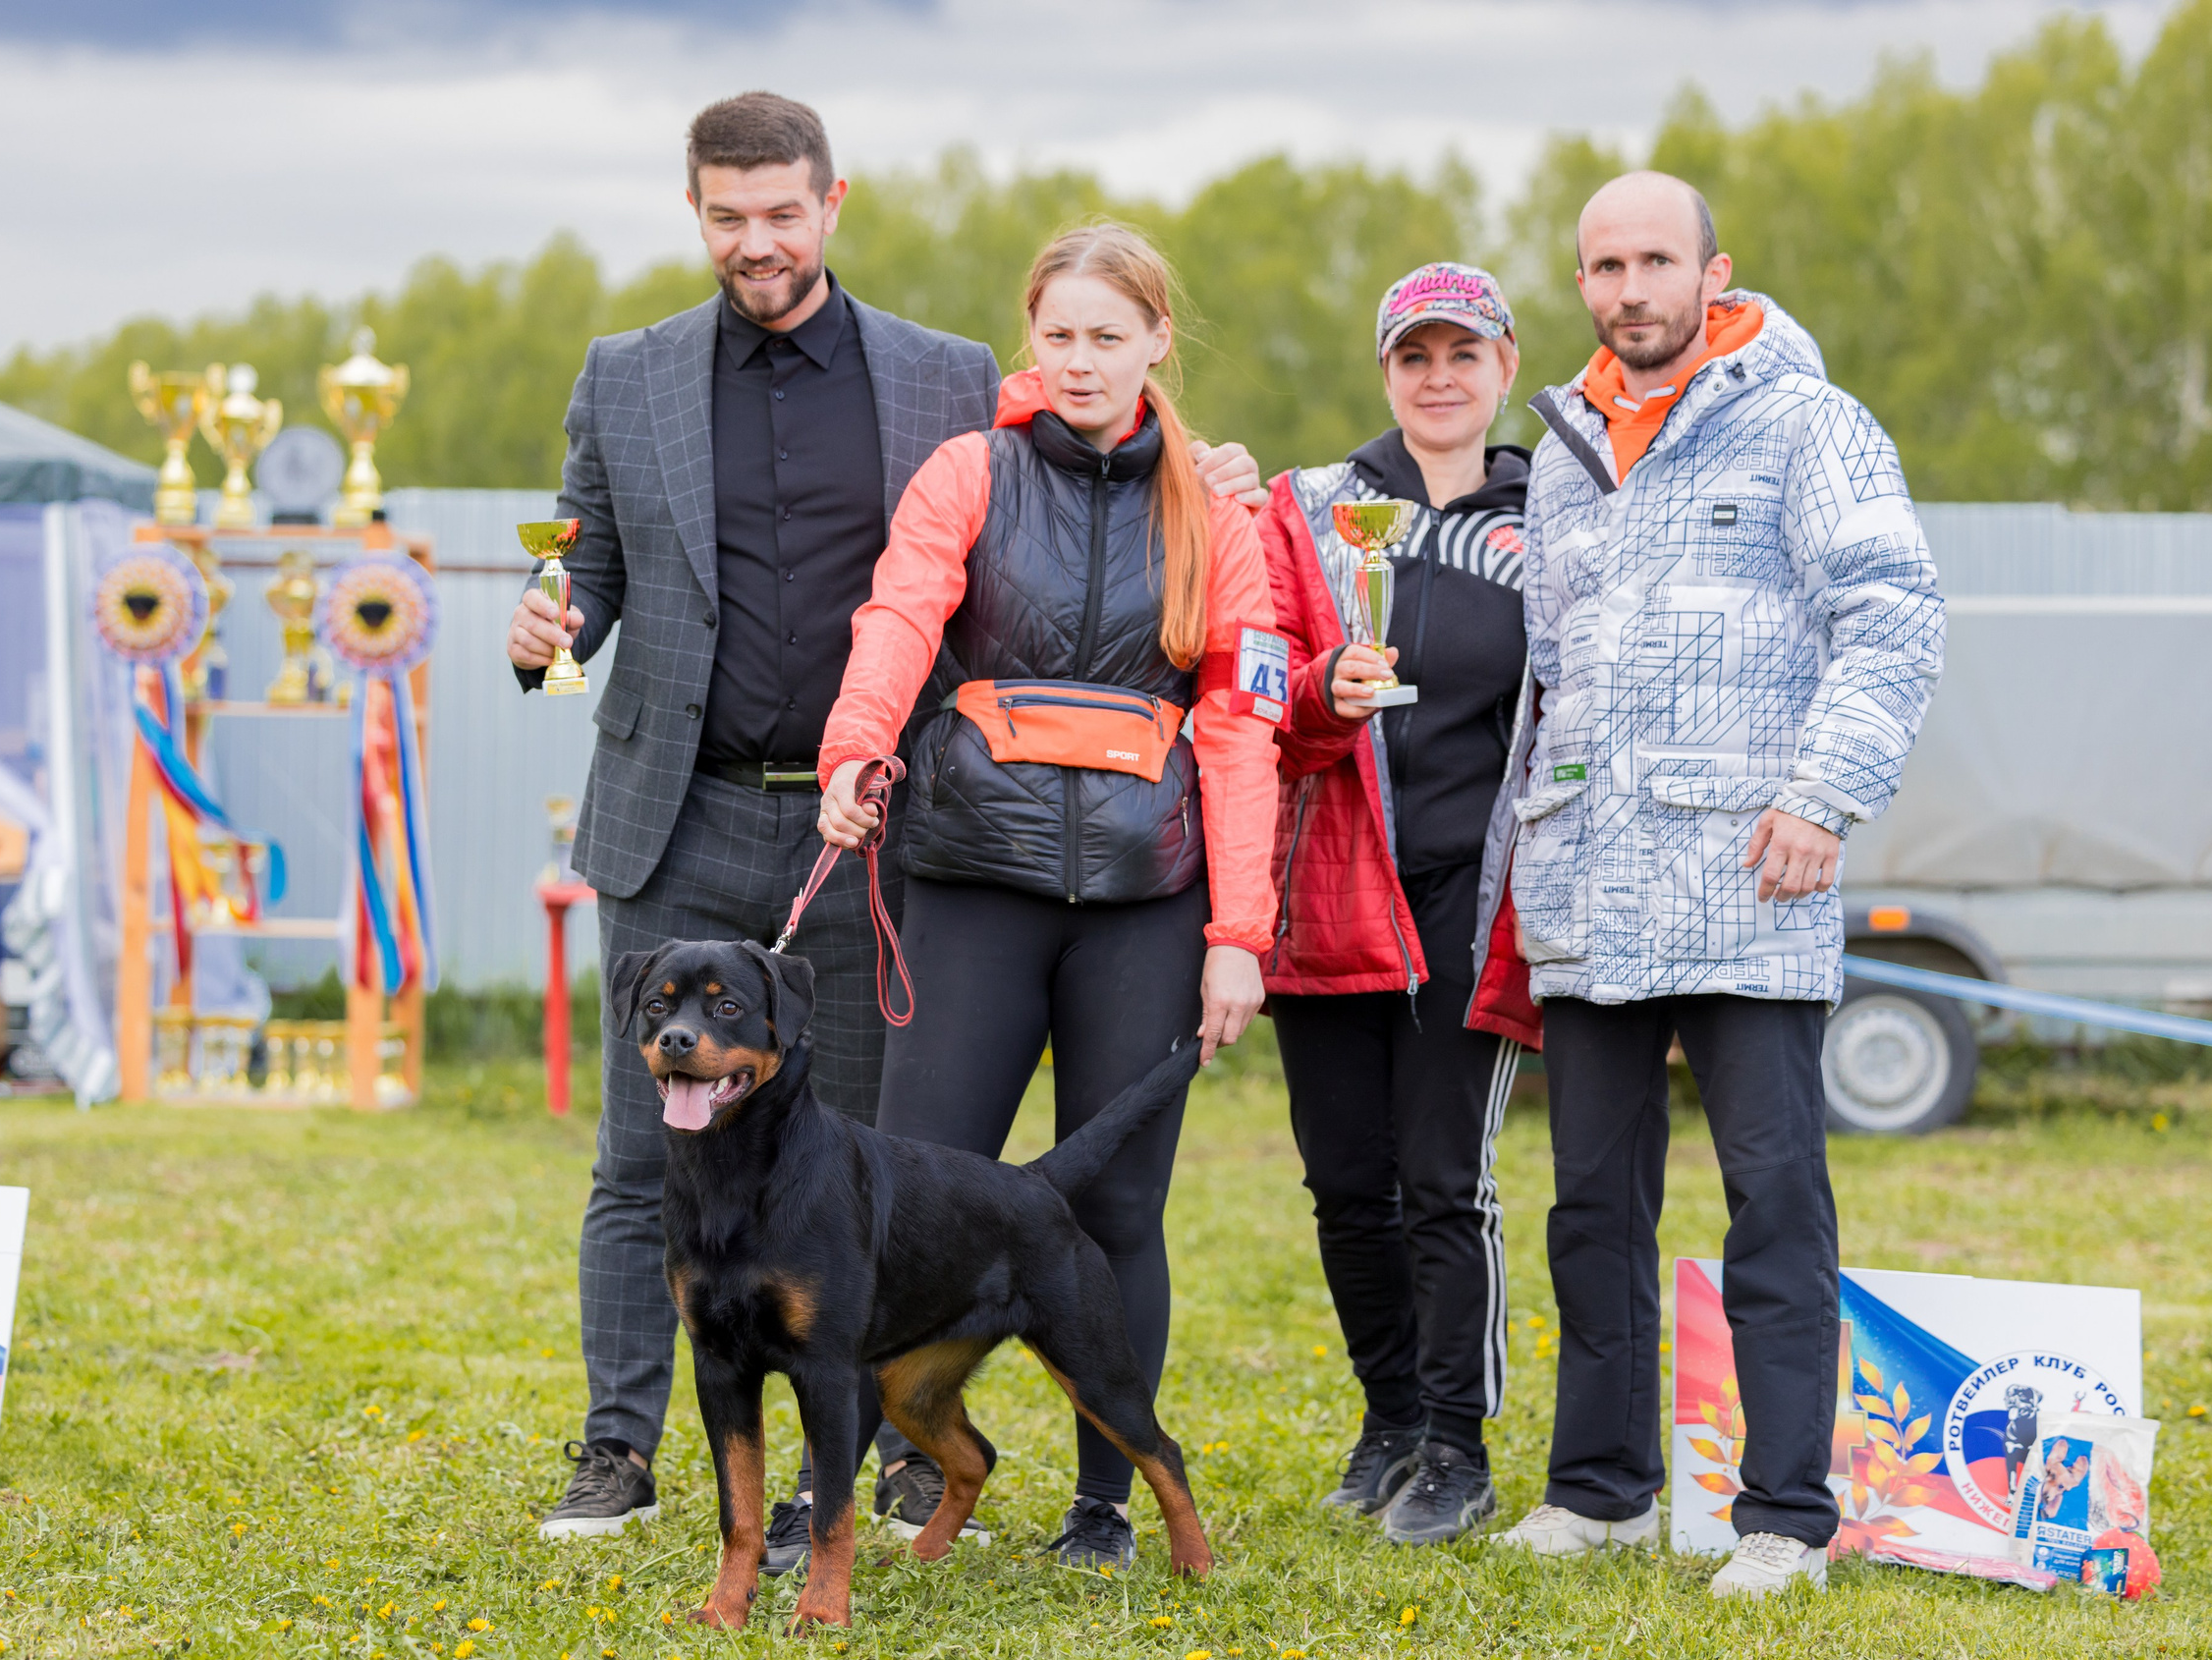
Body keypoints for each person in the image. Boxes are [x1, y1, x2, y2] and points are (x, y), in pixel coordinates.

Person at [504, 93, 1262, 1566]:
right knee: (640, 1155)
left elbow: (1071, 485)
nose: (757, 241)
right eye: (728, 216)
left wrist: (1207, 463)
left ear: (831, 204)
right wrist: (550, 627)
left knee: (856, 1180)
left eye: (782, 213)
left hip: (874, 834)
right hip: (681, 809)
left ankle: (911, 1470)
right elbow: (590, 567)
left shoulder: (945, 375)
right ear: (695, 213)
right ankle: (619, 1450)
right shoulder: (625, 374)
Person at [1487, 172, 1944, 1597]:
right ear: (1582, 282)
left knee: (1775, 1205)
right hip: (1594, 888)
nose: (1630, 288)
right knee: (1590, 1209)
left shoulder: (1812, 423)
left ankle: (1786, 1517)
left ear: (1713, 270)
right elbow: (1553, 674)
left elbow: (1895, 616)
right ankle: (1600, 1491)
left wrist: (1823, 795)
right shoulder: (1560, 452)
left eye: (1655, 260)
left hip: (1754, 876)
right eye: (1604, 266)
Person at [814, 222, 1281, 1569]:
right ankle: (883, 1476)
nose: (1080, 360)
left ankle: (1105, 1503)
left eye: (1107, 336)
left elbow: (1242, 729)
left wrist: (1239, 936)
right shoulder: (970, 470)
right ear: (1031, 337)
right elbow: (900, 619)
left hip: (1148, 901)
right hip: (974, 884)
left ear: (1157, 342)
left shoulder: (1220, 512)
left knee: (1117, 1212)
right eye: (1058, 334)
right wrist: (856, 749)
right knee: (905, 1203)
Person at [1252, 262, 1541, 1547]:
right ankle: (1391, 1421)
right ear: (1385, 370)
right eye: (1415, 355)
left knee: (1443, 1178)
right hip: (1331, 886)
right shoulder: (1312, 508)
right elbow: (1258, 680)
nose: (1439, 377)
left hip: (1468, 897)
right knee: (1344, 1180)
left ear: (1506, 365)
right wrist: (1322, 689)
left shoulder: (1558, 523)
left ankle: (1459, 1446)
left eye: (1463, 353)